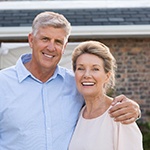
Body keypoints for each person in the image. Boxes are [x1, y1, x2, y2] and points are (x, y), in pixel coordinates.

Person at [0, 11, 141, 150]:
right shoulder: (3, 83)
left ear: (64, 46)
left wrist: (134, 108)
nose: (51, 47)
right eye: (45, 39)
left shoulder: (74, 83)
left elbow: (99, 101)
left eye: (58, 42)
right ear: (31, 40)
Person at [69, 40, 143, 150]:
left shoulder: (120, 115)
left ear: (107, 76)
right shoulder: (78, 114)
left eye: (95, 69)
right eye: (81, 68)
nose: (87, 75)